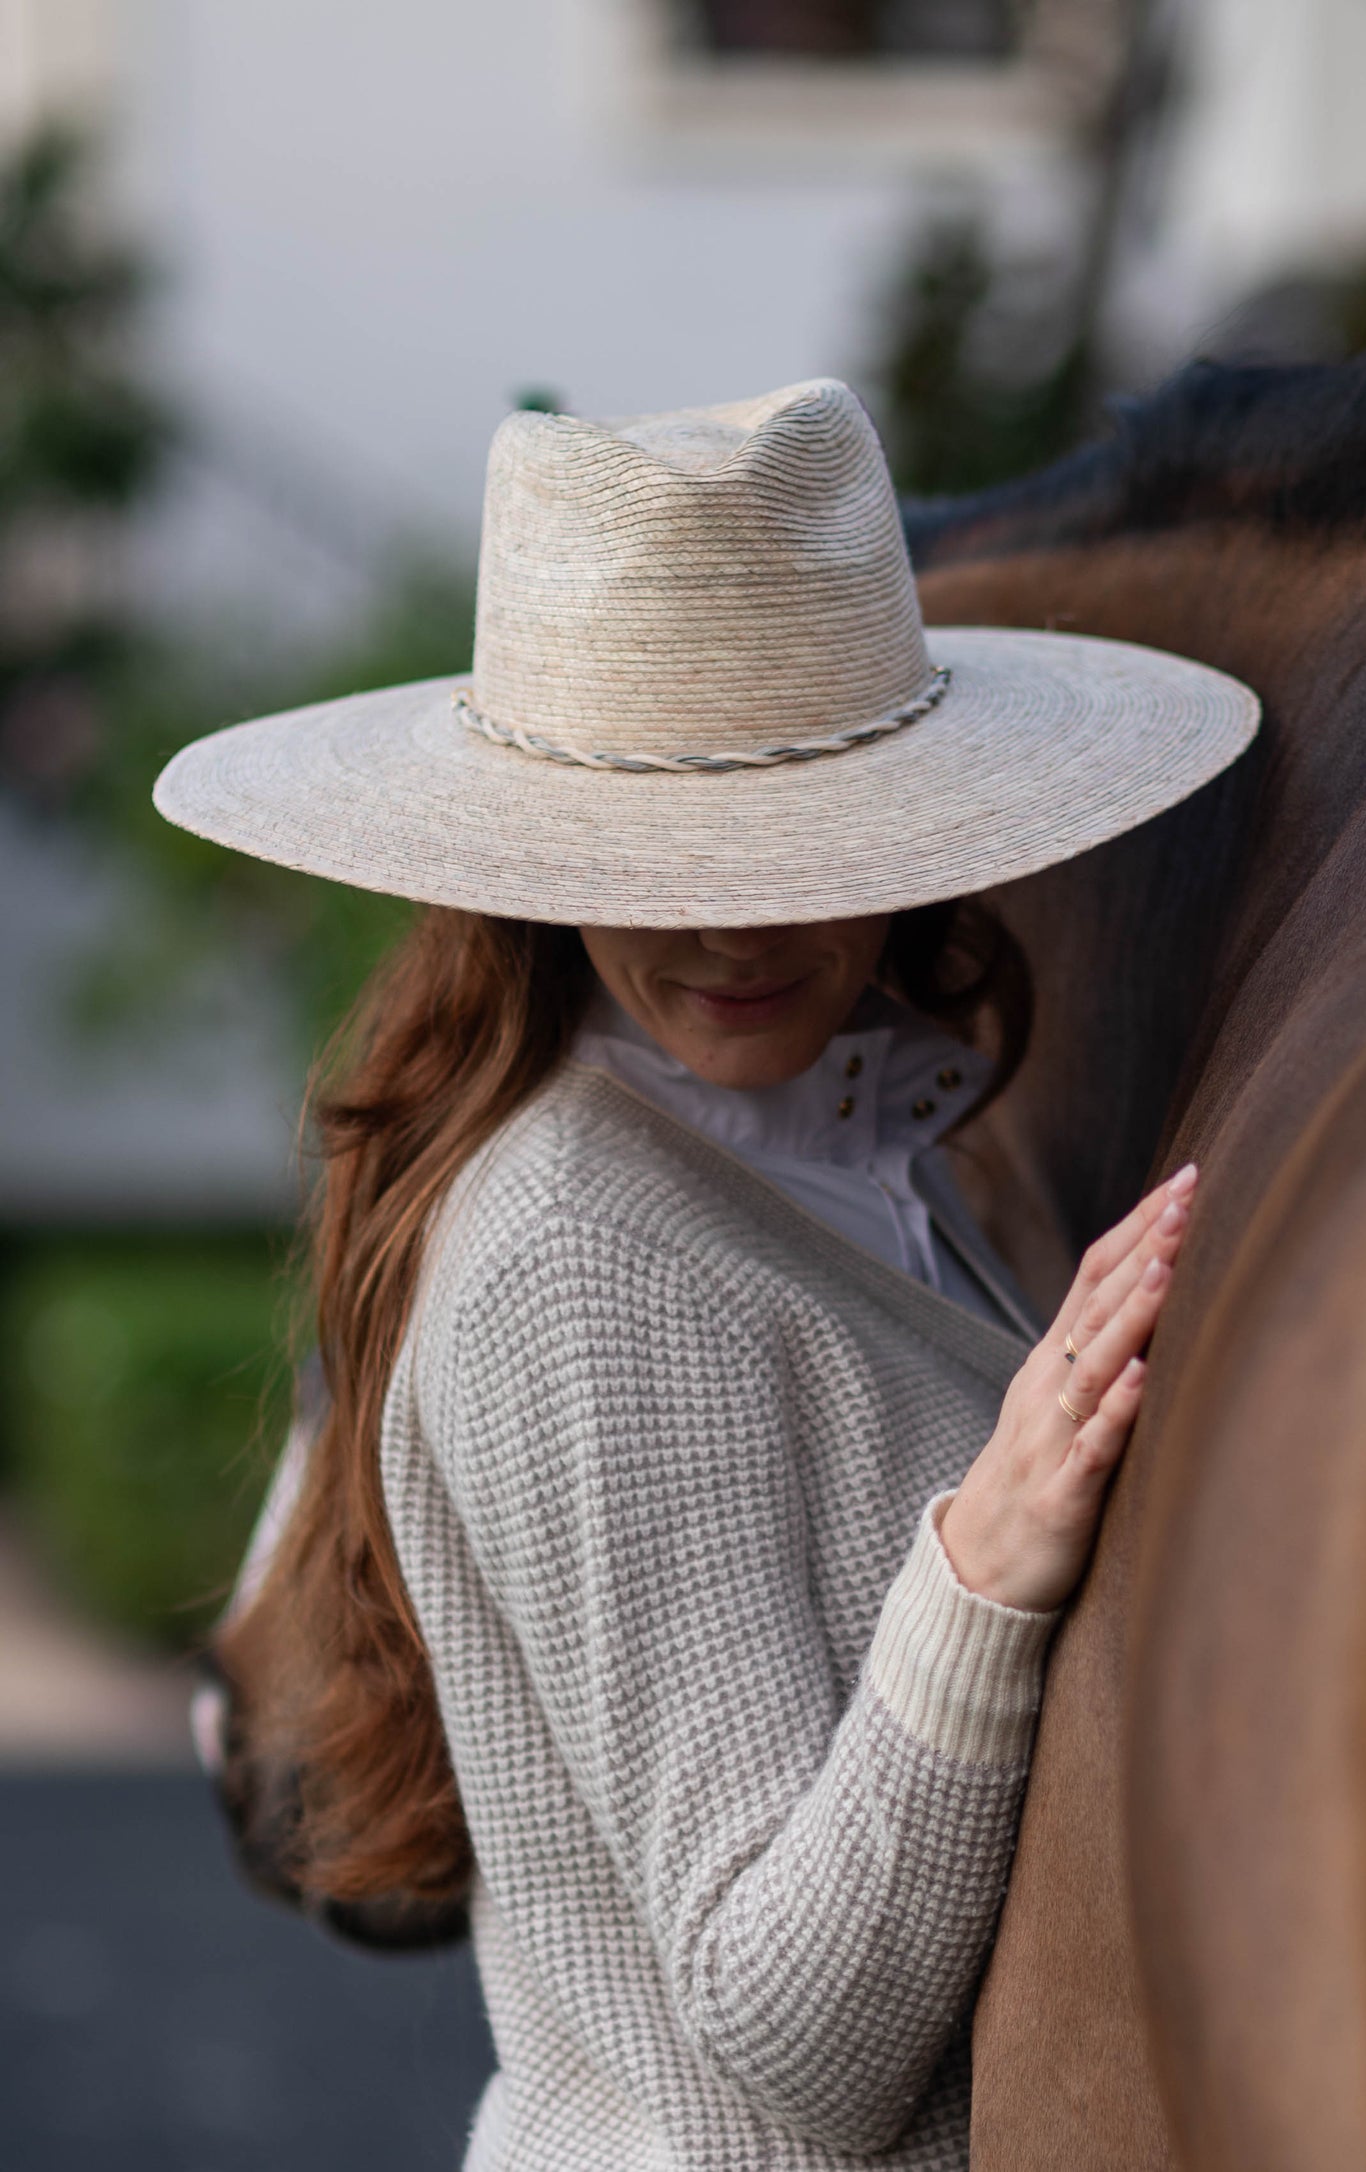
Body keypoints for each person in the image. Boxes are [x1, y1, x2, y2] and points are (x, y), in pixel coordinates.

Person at [155, 379, 1258, 2170]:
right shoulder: (574, 1262)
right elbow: (792, 2043)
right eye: (652, 861)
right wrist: (978, 1575)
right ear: (529, 857)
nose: (732, 929)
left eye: (806, 842)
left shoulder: (854, 1141)